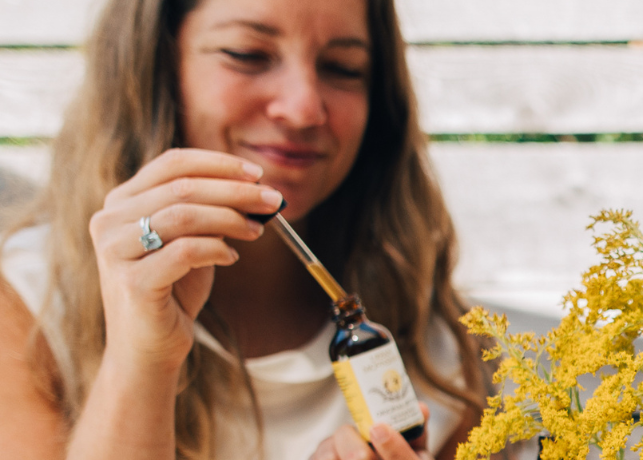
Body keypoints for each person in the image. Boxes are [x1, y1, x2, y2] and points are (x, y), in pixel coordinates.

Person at [0, 0, 490, 459]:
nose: (301, 110)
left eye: (343, 68)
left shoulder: (441, 354)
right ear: (157, 66)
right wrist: (140, 353)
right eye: (248, 54)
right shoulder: (26, 307)